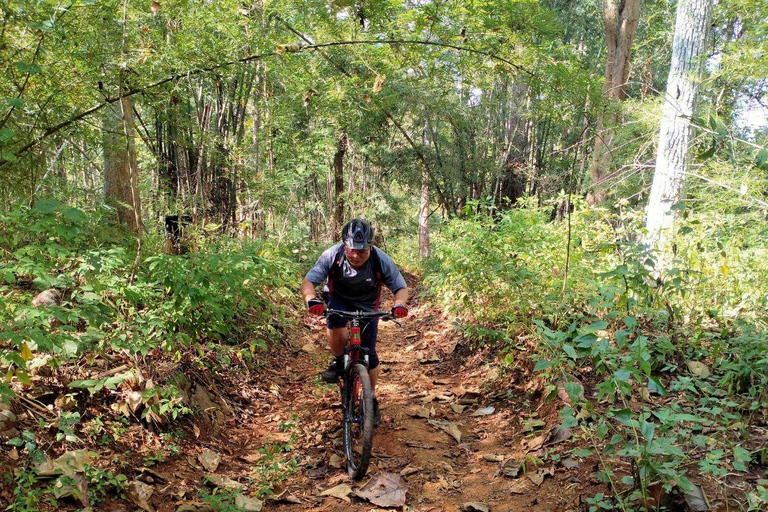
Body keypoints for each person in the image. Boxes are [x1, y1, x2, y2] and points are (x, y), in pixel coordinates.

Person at [300, 218, 408, 425]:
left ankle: (371, 398)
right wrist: (311, 299)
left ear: (371, 247)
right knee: (336, 323)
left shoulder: (381, 260)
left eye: (362, 251)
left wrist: (399, 304)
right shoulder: (332, 255)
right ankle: (339, 361)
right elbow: (309, 281)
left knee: (370, 353)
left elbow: (400, 287)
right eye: (352, 250)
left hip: (368, 305)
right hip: (339, 299)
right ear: (344, 245)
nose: (356, 255)